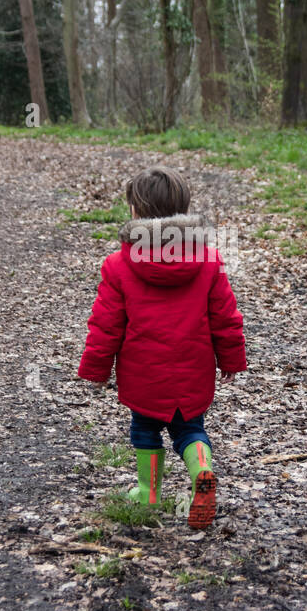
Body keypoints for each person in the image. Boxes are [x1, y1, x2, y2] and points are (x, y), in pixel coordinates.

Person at [78, 165, 247, 530]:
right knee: (189, 429)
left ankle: (148, 492)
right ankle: (202, 470)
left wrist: (96, 369)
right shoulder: (209, 261)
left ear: (136, 212)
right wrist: (231, 360)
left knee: (144, 429)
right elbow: (226, 317)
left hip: (143, 373)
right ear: (182, 211)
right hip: (192, 368)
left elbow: (106, 325)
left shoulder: (118, 264)